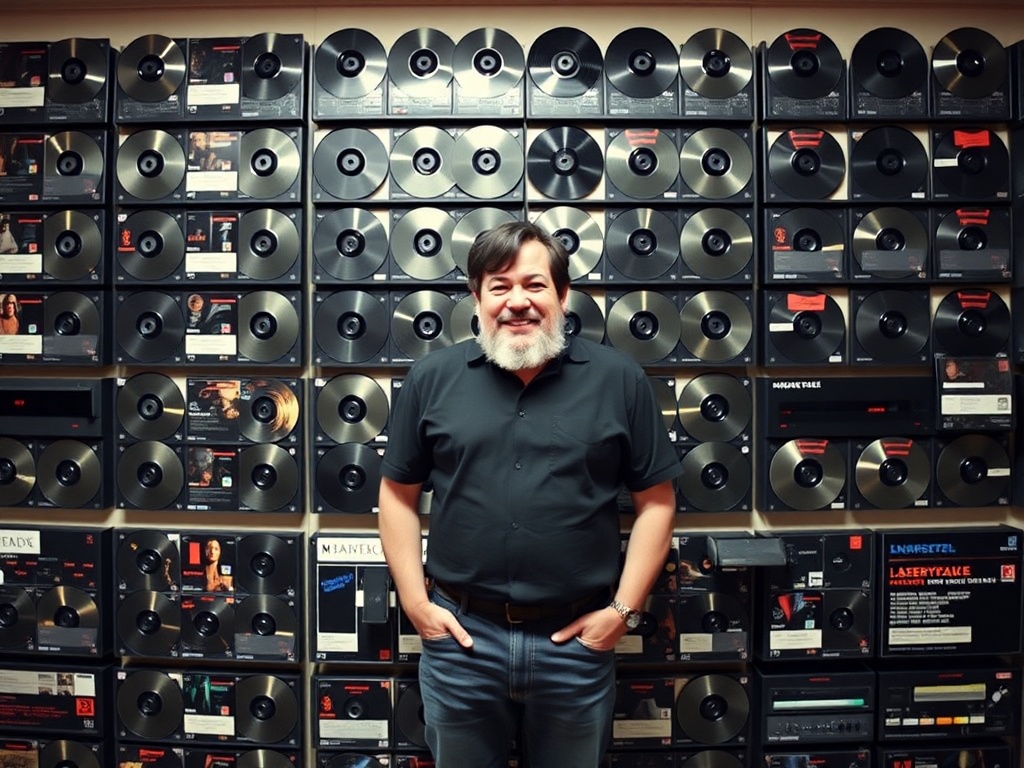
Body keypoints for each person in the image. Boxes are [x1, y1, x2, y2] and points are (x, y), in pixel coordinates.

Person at [378, 220, 680, 768]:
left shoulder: (620, 379)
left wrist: (623, 612)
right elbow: (397, 496)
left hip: (576, 646)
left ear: (562, 295)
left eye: (535, 285)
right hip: (462, 643)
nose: (518, 301)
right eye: (499, 286)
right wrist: (416, 604)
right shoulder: (430, 378)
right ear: (477, 297)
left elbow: (657, 502)